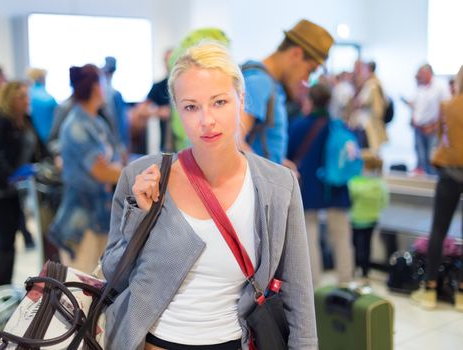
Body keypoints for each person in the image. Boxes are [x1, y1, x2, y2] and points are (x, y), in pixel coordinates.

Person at [102, 42, 317, 350]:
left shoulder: (278, 186)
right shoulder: (143, 178)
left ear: (241, 100)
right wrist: (139, 214)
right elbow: (114, 276)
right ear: (178, 110)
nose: (206, 121)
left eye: (219, 102)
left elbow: (298, 296)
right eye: (191, 107)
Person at [48, 64, 123, 274]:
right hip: (81, 220)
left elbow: (113, 162)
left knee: (100, 283)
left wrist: (115, 168)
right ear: (95, 87)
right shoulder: (76, 126)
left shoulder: (96, 122)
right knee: (80, 288)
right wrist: (124, 171)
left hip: (102, 215)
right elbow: (102, 172)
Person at [0, 81, 47, 288]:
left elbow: (39, 147)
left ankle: (4, 285)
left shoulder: (25, 120)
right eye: (22, 97)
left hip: (14, 188)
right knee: (5, 240)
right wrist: (10, 175)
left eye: (27, 96)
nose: (27, 100)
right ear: (10, 99)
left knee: (10, 239)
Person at [241, 19, 334, 166]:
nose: (306, 80)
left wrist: (279, 164)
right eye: (309, 70)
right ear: (296, 54)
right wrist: (271, 176)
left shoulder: (270, 84)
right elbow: (232, 143)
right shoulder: (259, 82)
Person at [287, 83, 354, 286]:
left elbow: (288, 156)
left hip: (309, 189)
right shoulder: (338, 126)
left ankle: (313, 284)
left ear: (311, 100)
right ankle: (345, 281)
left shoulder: (299, 126)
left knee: (309, 235)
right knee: (342, 235)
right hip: (336, 187)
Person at [411, 65, 463, 311]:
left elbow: (443, 137)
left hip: (449, 173)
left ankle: (430, 289)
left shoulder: (448, 106)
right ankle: (462, 294)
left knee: (438, 229)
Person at [402, 64, 450, 175]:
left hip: (432, 129)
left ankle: (433, 182)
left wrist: (435, 126)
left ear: (428, 73)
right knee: (420, 158)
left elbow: (446, 108)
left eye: (421, 73)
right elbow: (416, 106)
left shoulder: (440, 87)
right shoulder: (420, 88)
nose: (419, 76)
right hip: (419, 128)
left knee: (431, 158)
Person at [348, 154, 388, 281]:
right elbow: (384, 202)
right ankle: (365, 271)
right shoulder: (380, 184)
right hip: (372, 219)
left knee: (354, 245)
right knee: (367, 245)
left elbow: (349, 200)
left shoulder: (354, 182)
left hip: (356, 219)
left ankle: (353, 268)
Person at [130, 48, 174, 153]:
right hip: (167, 145)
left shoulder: (187, 85)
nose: (168, 63)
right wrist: (159, 111)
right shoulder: (159, 86)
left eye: (171, 60)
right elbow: (139, 110)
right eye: (165, 60)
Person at [348, 61, 388, 154]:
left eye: (362, 69)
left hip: (368, 124)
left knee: (367, 152)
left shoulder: (372, 85)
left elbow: (360, 103)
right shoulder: (376, 83)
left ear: (368, 70)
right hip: (369, 123)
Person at [27, 67, 58, 145]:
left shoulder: (28, 94)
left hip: (33, 136)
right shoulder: (48, 97)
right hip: (48, 135)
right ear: (43, 78)